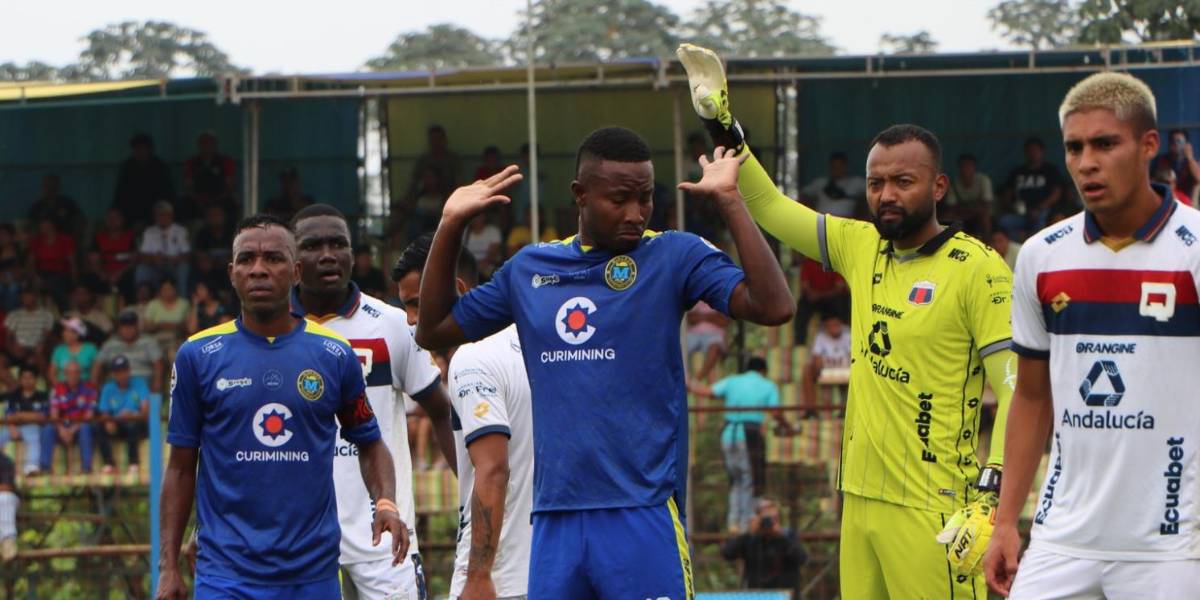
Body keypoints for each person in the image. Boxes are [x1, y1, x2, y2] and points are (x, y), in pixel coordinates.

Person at [679, 43, 1017, 598]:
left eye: (902, 182)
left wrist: (991, 497)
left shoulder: (979, 269)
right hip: (858, 502)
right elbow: (769, 206)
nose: (885, 195)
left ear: (938, 188)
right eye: (875, 182)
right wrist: (720, 121)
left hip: (936, 510)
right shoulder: (861, 246)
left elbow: (1015, 385)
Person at [415, 126, 794, 598]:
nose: (636, 214)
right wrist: (451, 224)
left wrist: (730, 201)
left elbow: (774, 306)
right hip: (554, 521)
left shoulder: (674, 255)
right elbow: (433, 329)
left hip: (643, 512)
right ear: (580, 195)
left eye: (646, 198)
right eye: (620, 199)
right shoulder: (531, 270)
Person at [984, 72, 1200, 598]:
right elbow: (1032, 397)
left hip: (1172, 544)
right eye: (1074, 147)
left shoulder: (1193, 249)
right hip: (1061, 541)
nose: (1086, 162)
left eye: (1105, 144)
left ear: (1148, 145)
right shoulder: (1040, 255)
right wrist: (1008, 519)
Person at [155, 214, 408, 599]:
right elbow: (180, 468)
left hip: (312, 576)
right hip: (225, 576)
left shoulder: (334, 355)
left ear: (294, 272)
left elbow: (370, 442)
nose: (258, 270)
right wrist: (168, 565)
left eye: (272, 258)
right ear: (232, 272)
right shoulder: (197, 356)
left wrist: (386, 502)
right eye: (247, 260)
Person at [290, 204, 454, 599]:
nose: (328, 254)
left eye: (338, 244)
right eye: (313, 245)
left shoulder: (389, 323)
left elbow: (440, 408)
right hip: (300, 536)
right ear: (292, 261)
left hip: (383, 533)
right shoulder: (273, 330)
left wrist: (470, 488)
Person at [392, 234, 535, 600]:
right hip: (549, 562)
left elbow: (492, 470)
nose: (410, 320)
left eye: (415, 304)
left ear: (455, 288)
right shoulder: (533, 342)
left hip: (499, 576)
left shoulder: (471, 360)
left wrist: (478, 574)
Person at [688, 357, 791, 533]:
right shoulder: (767, 385)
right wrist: (787, 426)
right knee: (749, 480)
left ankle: (733, 521)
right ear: (763, 371)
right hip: (749, 435)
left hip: (728, 434)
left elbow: (707, 392)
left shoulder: (733, 381)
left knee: (735, 480)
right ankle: (746, 524)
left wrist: (688, 382)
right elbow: (775, 412)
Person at [720, 498, 807, 590]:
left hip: (783, 593)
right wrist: (748, 533)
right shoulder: (751, 538)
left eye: (775, 518)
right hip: (756, 594)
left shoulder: (787, 535)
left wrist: (781, 536)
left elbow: (802, 559)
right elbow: (727, 554)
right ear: (757, 519)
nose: (770, 523)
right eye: (766, 519)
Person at [999, 137, 1065, 238]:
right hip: (1021, 212)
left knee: (1043, 220)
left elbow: (1056, 193)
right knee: (1005, 221)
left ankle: (1036, 241)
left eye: (1035, 150)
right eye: (1029, 151)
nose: (1032, 153)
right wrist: (1013, 207)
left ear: (1042, 152)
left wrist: (1039, 208)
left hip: (1044, 211)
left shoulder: (1050, 170)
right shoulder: (1018, 172)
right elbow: (1007, 193)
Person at [95, 356, 148, 475]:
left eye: (124, 371)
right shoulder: (108, 388)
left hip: (137, 423)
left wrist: (134, 415)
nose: (122, 375)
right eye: (118, 372)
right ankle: (109, 464)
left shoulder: (140, 384)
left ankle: (133, 464)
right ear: (113, 374)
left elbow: (145, 411)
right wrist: (109, 421)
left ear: (129, 371)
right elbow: (104, 413)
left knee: (132, 425)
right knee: (99, 427)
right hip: (118, 424)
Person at [41, 360, 96, 475]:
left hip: (79, 426)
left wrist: (72, 430)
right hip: (61, 426)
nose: (73, 375)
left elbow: (89, 415)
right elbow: (54, 414)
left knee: (86, 428)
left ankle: (86, 468)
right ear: (65, 374)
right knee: (48, 429)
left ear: (80, 373)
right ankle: (45, 468)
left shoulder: (89, 388)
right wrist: (62, 430)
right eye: (70, 373)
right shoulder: (57, 389)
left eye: (76, 372)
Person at [112, 133, 174, 227]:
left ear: (149, 150)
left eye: (142, 148)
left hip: (154, 210)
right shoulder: (127, 167)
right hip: (131, 211)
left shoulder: (160, 167)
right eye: (136, 149)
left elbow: (167, 193)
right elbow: (120, 192)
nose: (139, 152)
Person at [95, 310, 163, 393]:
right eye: (124, 326)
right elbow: (97, 364)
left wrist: (157, 382)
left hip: (142, 387)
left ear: (137, 326)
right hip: (116, 387)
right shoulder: (110, 343)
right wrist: (94, 385)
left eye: (131, 325)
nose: (127, 329)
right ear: (119, 328)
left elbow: (158, 363)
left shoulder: (148, 341)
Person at [1, 366, 49, 476]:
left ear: (36, 380)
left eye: (30, 378)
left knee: (34, 436)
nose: (27, 381)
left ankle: (31, 468)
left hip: (32, 427)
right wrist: (11, 427)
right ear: (20, 379)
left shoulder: (42, 396)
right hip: (13, 426)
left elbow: (42, 417)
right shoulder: (13, 396)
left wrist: (19, 415)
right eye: (24, 378)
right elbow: (8, 415)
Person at [136, 201, 191, 294]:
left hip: (175, 265)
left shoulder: (181, 231)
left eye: (165, 214)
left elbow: (187, 254)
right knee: (142, 269)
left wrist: (175, 259)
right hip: (155, 265)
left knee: (184, 268)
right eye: (159, 215)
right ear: (155, 217)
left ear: (171, 215)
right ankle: (144, 303)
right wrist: (153, 259)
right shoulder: (149, 232)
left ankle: (183, 300)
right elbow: (143, 255)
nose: (162, 217)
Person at [793, 256, 849, 345]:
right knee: (802, 305)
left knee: (843, 300)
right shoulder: (808, 263)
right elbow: (805, 287)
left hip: (831, 298)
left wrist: (821, 295)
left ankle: (846, 336)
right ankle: (800, 341)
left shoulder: (833, 264)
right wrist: (814, 295)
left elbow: (840, 287)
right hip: (814, 298)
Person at [801, 312, 851, 410]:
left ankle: (847, 409)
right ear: (826, 327)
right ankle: (810, 410)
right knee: (807, 369)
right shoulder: (821, 337)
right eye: (831, 325)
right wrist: (820, 365)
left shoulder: (848, 334)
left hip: (848, 371)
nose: (834, 328)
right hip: (826, 370)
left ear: (841, 324)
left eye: (836, 324)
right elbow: (816, 358)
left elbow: (854, 356)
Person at [182, 131, 237, 221]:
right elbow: (188, 186)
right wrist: (200, 201)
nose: (206, 146)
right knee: (185, 204)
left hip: (220, 199)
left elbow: (229, 185)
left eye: (209, 143)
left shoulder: (225, 161)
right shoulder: (191, 162)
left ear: (215, 145)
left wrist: (216, 202)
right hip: (198, 200)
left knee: (231, 204)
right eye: (203, 143)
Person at [27, 218, 77, 310]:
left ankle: (65, 312)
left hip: (61, 274)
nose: (44, 228)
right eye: (42, 225)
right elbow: (30, 263)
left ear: (53, 225)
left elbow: (72, 263)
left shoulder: (65, 239)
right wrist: (34, 275)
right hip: (41, 273)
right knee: (36, 285)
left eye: (47, 225)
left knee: (55, 283)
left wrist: (74, 280)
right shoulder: (36, 241)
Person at [802, 152, 867, 218]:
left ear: (845, 166)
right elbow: (803, 195)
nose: (836, 169)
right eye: (834, 167)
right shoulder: (820, 182)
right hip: (821, 219)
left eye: (839, 166)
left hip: (845, 221)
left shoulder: (856, 182)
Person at [945, 153, 995, 236]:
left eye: (969, 166)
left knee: (985, 215)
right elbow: (951, 206)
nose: (966, 169)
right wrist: (967, 209)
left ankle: (988, 240)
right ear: (959, 168)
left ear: (974, 167)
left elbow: (987, 203)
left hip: (981, 212)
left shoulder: (983, 180)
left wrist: (971, 209)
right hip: (963, 212)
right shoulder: (954, 183)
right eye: (963, 166)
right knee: (948, 216)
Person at [5, 286, 53, 369]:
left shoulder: (46, 315)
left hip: (37, 348)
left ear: (36, 297)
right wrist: (13, 349)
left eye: (29, 296)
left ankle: (49, 381)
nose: (26, 299)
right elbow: (8, 337)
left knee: (36, 357)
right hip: (19, 347)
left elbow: (48, 337)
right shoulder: (14, 314)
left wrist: (42, 345)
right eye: (24, 297)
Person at [685, 300, 728, 383]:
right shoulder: (695, 299)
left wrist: (701, 316)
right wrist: (712, 317)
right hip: (693, 335)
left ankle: (696, 380)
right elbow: (690, 319)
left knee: (714, 348)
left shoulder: (719, 298)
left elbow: (723, 321)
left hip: (715, 336)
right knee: (681, 349)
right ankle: (688, 380)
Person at [27, 174, 82, 239]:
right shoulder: (37, 206)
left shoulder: (67, 203)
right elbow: (31, 224)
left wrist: (74, 237)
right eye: (46, 186)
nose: (49, 189)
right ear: (43, 187)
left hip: (66, 240)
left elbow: (79, 219)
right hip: (44, 242)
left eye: (52, 185)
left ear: (57, 187)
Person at [1151, 128, 1200, 200]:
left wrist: (1190, 157)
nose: (1175, 144)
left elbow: (1198, 178)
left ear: (1186, 144)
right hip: (1163, 200)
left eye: (1179, 141)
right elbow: (1151, 180)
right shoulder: (1160, 160)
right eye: (1172, 141)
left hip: (1185, 203)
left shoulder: (1190, 163)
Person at [48, 317, 99, 385]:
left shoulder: (90, 349)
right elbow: (52, 374)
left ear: (76, 335)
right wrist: (60, 388)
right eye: (64, 330)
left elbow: (95, 374)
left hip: (85, 388)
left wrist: (88, 390)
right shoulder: (59, 350)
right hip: (62, 388)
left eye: (67, 331)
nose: (64, 333)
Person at [0, 451, 15, 560]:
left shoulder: (4, 461)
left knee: (4, 498)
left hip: (6, 498)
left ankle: (8, 541)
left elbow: (6, 487)